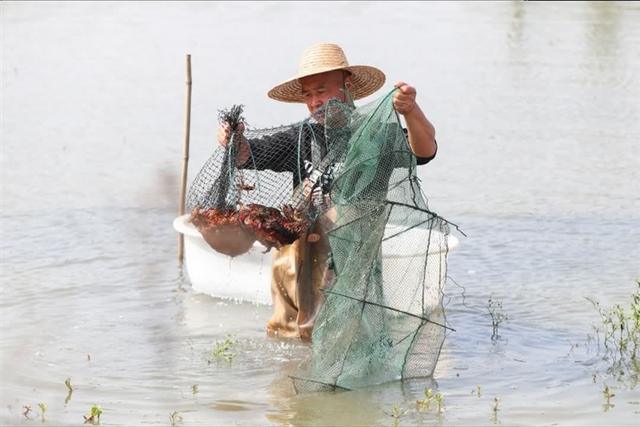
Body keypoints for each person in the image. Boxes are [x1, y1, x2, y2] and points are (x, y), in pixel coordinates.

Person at [217, 43, 438, 340]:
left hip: (350, 255)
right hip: (298, 260)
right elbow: (250, 155)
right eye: (307, 95)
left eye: (321, 91)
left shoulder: (374, 133)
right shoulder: (301, 137)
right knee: (288, 337)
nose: (314, 102)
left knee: (339, 335)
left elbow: (424, 151)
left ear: (348, 87)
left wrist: (411, 111)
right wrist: (234, 141)